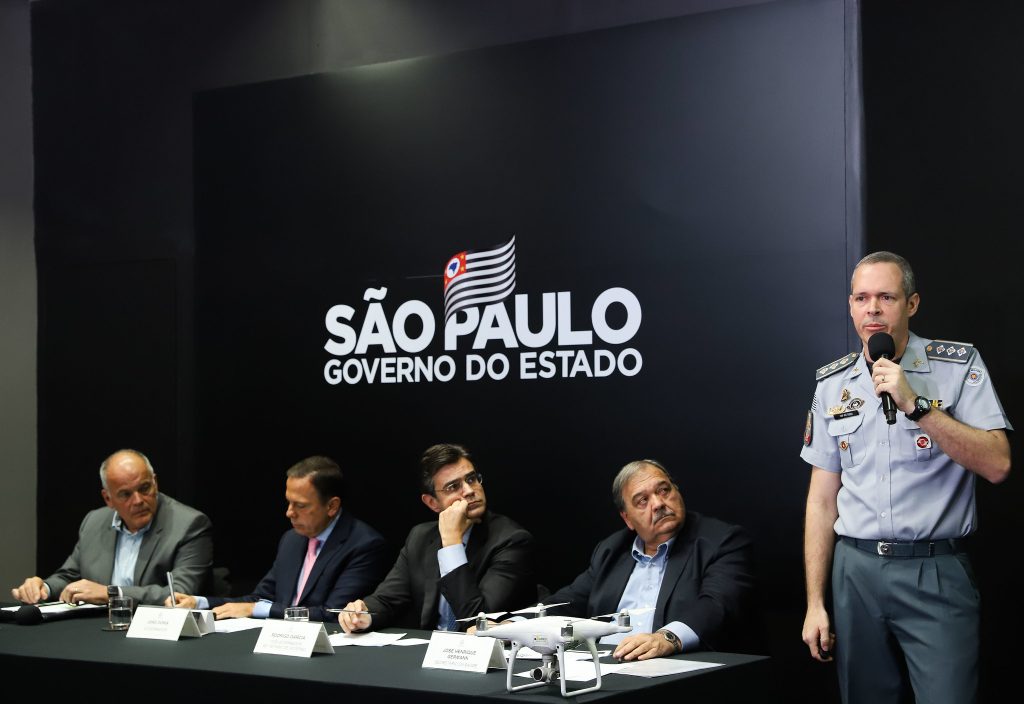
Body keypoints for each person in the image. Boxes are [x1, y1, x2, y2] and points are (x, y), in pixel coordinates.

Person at [800, 251, 1012, 704]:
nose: (873, 309)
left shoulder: (957, 366)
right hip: (855, 571)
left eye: (886, 297)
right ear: (851, 306)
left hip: (934, 569)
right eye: (861, 298)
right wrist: (815, 602)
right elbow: (821, 500)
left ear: (911, 304)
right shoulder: (832, 383)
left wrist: (917, 406)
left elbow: (998, 464)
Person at [522, 459, 756, 661]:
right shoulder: (612, 550)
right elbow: (569, 601)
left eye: (664, 490)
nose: (658, 503)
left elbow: (716, 606)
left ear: (677, 491)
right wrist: (519, 623)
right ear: (627, 519)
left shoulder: (722, 541)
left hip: (677, 671)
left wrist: (667, 638)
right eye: (642, 500)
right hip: (607, 666)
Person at [338, 443, 536, 633]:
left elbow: (478, 621)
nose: (469, 491)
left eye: (471, 479)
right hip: (432, 648)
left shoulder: (511, 540)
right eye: (453, 486)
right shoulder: (420, 537)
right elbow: (388, 599)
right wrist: (362, 614)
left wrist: (452, 544)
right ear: (432, 503)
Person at [167, 455, 388, 622]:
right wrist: (199, 602)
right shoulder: (292, 539)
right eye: (288, 502)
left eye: (300, 506)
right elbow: (260, 598)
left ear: (332, 506)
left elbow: (332, 613)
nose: (289, 513)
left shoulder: (363, 545)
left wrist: (259, 610)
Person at [10, 448, 214, 606]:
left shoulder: (189, 524)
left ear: (155, 483)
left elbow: (180, 593)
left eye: (144, 488)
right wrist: (43, 588)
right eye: (126, 494)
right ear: (108, 498)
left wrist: (112, 593)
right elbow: (69, 576)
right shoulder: (94, 521)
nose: (138, 501)